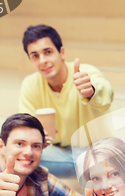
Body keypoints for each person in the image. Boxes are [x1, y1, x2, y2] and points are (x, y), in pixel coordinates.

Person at [19, 24, 114, 178]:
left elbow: (106, 94)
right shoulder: (30, 84)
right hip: (61, 154)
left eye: (48, 52)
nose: (42, 60)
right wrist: (37, 137)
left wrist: (91, 91)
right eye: (35, 56)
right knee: (17, 157)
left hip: (98, 152)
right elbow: (25, 125)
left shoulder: (85, 73)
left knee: (92, 169)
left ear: (61, 52)